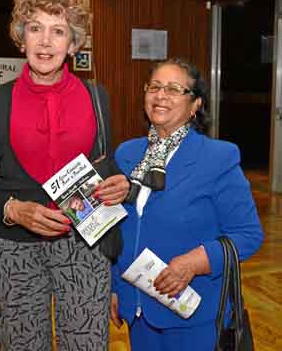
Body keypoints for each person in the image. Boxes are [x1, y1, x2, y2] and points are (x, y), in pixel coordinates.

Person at [0, 0, 129, 351]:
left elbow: (108, 167)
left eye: (58, 31)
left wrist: (118, 184)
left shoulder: (97, 97)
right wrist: (13, 210)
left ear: (73, 43)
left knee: (86, 345)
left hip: (85, 243)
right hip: (13, 247)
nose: (46, 41)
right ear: (22, 37)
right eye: (35, 28)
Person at [110, 58, 264, 351]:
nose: (161, 95)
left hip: (194, 315)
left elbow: (248, 234)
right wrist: (115, 287)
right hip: (138, 312)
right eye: (154, 86)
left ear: (195, 106)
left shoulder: (218, 157)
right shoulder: (127, 154)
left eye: (174, 89)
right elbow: (115, 226)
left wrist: (194, 262)